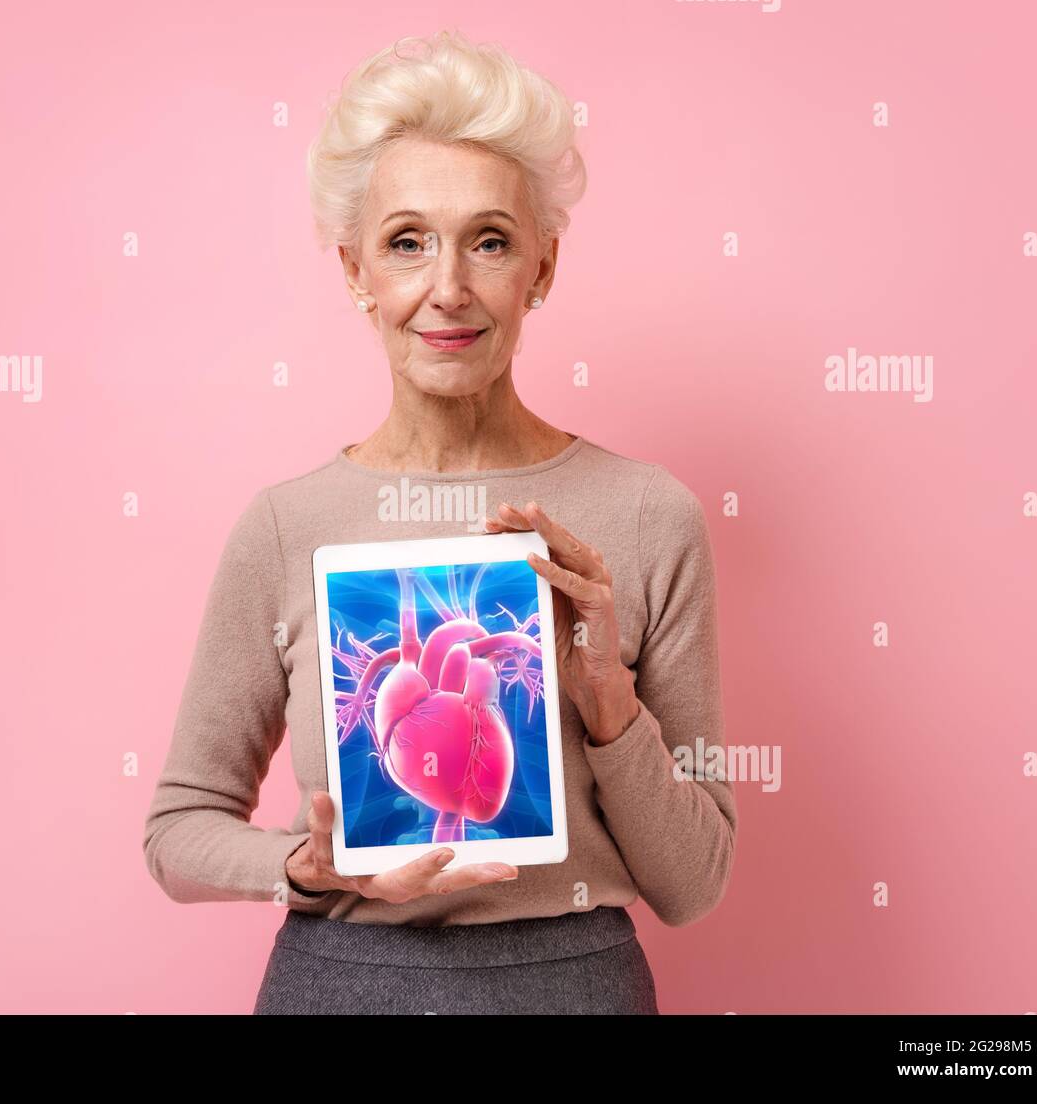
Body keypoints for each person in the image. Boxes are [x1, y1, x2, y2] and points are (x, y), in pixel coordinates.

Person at [142, 29, 737, 1015]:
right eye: (407, 241)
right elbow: (177, 833)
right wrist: (312, 865)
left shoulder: (647, 516)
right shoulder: (286, 527)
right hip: (338, 985)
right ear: (356, 272)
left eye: (490, 240)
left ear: (541, 268)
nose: (448, 288)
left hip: (576, 989)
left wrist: (605, 697)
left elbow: (695, 882)